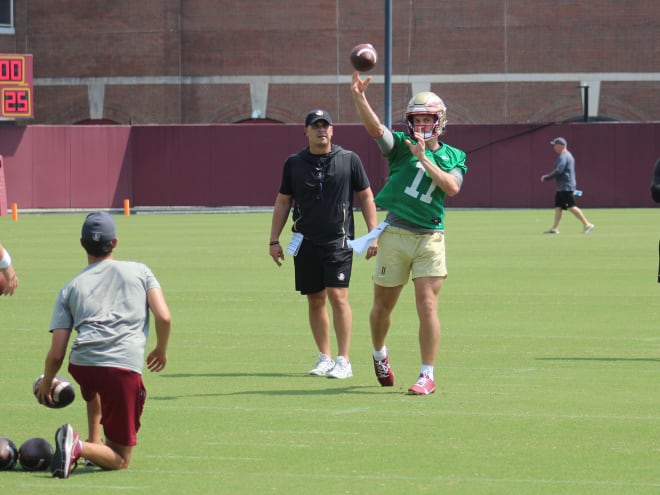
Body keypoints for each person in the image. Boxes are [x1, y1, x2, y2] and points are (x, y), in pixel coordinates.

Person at [351, 72, 468, 395]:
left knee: (428, 306)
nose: (422, 125)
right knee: (382, 307)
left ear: (440, 121)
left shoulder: (454, 155)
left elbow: (452, 187)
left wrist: (425, 158)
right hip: (396, 234)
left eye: (428, 119)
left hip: (430, 237)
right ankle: (379, 353)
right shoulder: (401, 147)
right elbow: (376, 130)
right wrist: (359, 97)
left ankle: (426, 374)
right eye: (417, 119)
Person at [35, 211, 172, 478]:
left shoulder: (69, 288)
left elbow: (57, 352)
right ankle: (79, 445)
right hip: (120, 368)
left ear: (82, 243)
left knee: (94, 381)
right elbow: (164, 317)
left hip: (82, 363)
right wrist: (161, 349)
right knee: (120, 458)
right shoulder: (141, 271)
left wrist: (46, 382)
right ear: (116, 242)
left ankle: (93, 441)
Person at [269, 109, 378, 380]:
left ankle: (344, 360)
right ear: (305, 131)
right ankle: (325, 357)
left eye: (325, 126)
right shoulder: (294, 163)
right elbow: (284, 201)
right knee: (315, 299)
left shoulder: (349, 159)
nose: (321, 130)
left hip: (339, 241)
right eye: (315, 126)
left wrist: (372, 233)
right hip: (305, 242)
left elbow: (366, 197)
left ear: (332, 130)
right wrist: (274, 239)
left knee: (338, 297)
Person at [541, 137, 594, 234]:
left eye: (555, 145)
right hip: (562, 187)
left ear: (561, 146)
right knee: (558, 207)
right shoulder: (565, 155)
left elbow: (559, 170)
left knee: (571, 207)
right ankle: (554, 229)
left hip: (566, 187)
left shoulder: (564, 156)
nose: (554, 147)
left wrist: (546, 177)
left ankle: (587, 224)